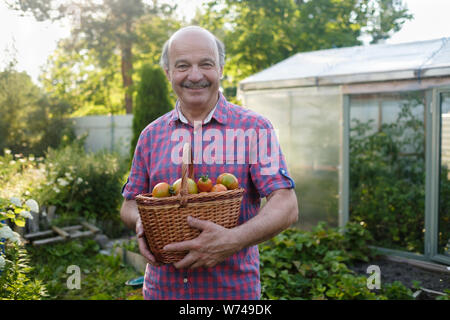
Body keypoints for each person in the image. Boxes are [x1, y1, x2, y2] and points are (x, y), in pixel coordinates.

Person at [120, 26, 299, 300]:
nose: (195, 75)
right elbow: (130, 204)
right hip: (162, 292)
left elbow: (286, 204)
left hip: (230, 295)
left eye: (206, 64)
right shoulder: (151, 136)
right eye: (182, 66)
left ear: (221, 69)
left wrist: (233, 240)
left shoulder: (254, 128)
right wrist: (141, 223)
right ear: (168, 73)